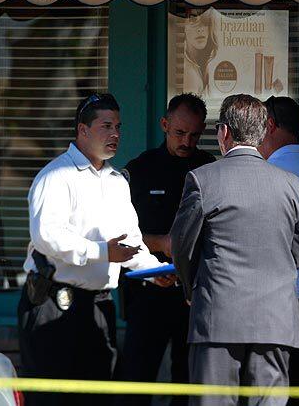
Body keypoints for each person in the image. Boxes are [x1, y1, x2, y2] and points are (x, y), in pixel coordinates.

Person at [17, 93, 164, 406]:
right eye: (106, 126)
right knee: (52, 398)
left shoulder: (116, 181)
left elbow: (130, 243)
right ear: (82, 131)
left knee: (97, 395)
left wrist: (154, 273)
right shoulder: (56, 176)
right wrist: (101, 252)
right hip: (54, 300)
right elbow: (47, 237)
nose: (115, 134)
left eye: (119, 127)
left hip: (98, 306)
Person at [169, 93, 299, 406]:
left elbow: (182, 247)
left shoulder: (202, 180)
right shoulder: (291, 184)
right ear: (263, 133)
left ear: (224, 133)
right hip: (275, 320)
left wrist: (192, 288)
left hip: (217, 318)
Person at [118, 94, 215, 406]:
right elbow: (118, 233)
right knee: (136, 378)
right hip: (148, 292)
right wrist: (161, 244)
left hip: (195, 295)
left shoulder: (209, 169)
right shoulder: (140, 170)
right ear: (164, 124)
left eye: (195, 135)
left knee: (188, 383)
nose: (187, 141)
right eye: (179, 133)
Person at [259, 96, 299, 406]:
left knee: (276, 389)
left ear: (269, 125)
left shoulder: (278, 171)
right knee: (294, 384)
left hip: (285, 294)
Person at [183, 8, 218, 96]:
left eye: (205, 22)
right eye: (193, 20)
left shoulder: (205, 64)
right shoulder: (190, 74)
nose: (200, 29)